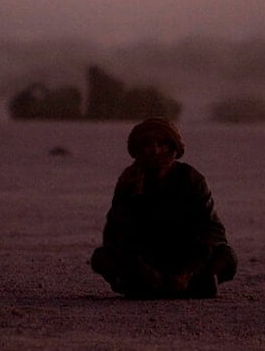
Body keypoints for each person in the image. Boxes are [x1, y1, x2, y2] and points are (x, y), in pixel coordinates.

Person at [90, 117, 237, 298]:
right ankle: (146, 286)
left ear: (173, 146)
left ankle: (188, 283)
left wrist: (188, 270)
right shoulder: (129, 182)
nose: (155, 150)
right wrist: (141, 268)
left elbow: (212, 231)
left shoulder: (191, 179)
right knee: (102, 257)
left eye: (162, 143)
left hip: (184, 255)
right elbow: (116, 234)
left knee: (226, 256)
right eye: (147, 144)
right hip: (146, 258)